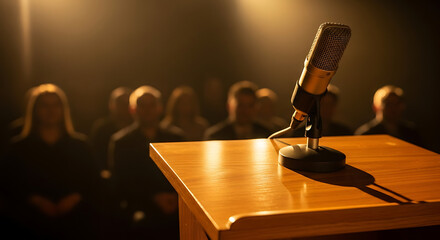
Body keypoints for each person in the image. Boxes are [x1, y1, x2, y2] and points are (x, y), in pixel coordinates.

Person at [0, 84, 99, 239]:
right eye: (44, 105)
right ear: (34, 110)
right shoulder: (19, 147)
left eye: (55, 105)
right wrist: (36, 201)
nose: (51, 110)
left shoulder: (80, 146)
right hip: (30, 217)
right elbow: (9, 183)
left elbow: (93, 181)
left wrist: (74, 198)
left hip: (75, 216)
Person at [108, 85, 182, 239]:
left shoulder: (176, 138)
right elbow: (122, 181)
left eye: (152, 105)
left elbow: (185, 174)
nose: (148, 110)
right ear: (133, 110)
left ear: (160, 108)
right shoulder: (121, 142)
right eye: (142, 105)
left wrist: (175, 197)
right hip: (140, 205)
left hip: (176, 205)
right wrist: (153, 197)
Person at [355, 85, 421, 145]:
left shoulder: (411, 133)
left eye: (396, 104)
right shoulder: (366, 134)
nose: (393, 108)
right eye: (388, 104)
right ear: (376, 107)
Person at [205, 81, 271, 140]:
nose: (246, 111)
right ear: (229, 106)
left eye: (250, 105)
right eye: (240, 105)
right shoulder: (215, 137)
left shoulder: (267, 135)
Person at [89, 87, 133, 173]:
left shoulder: (137, 131)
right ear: (111, 105)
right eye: (120, 103)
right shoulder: (101, 129)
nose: (124, 107)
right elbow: (94, 156)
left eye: (127, 103)